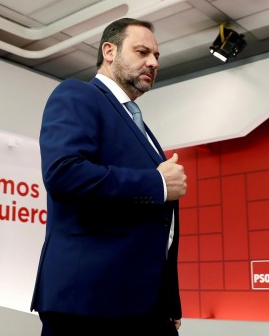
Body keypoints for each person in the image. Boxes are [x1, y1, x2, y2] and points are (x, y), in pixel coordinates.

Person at [30, 17, 188, 336]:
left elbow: (159, 230)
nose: (153, 62)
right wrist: (156, 184)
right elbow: (64, 173)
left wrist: (168, 300)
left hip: (144, 307)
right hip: (89, 305)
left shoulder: (140, 125)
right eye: (142, 51)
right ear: (109, 51)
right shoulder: (77, 95)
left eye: (157, 56)